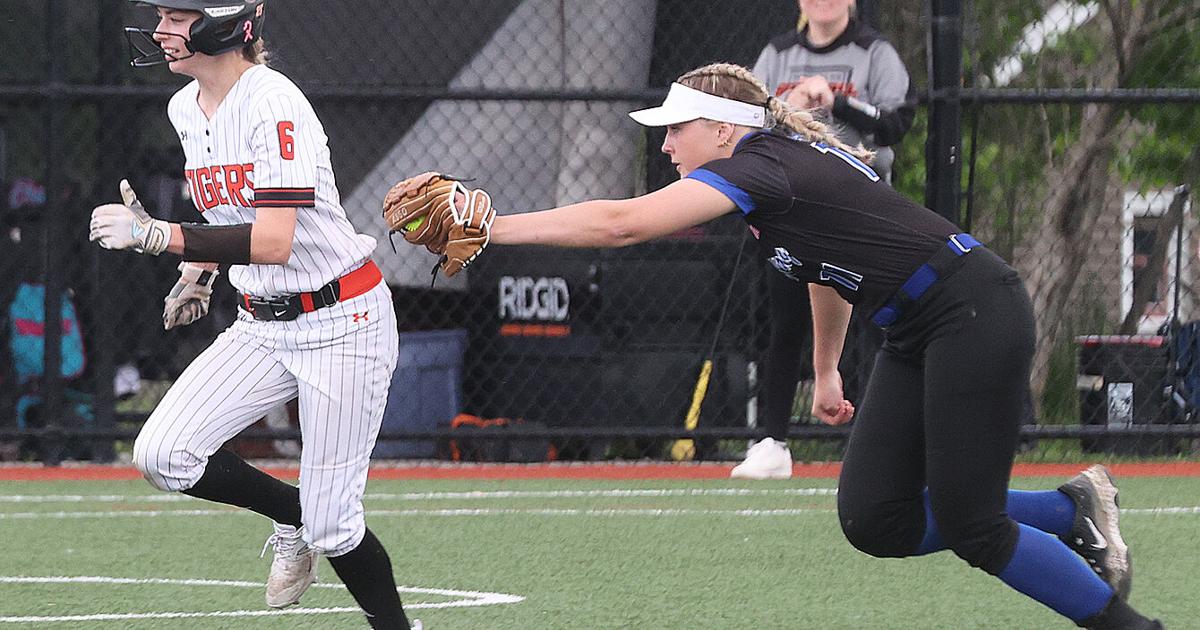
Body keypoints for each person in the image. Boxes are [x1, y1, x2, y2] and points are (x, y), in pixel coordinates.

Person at [392, 62, 1162, 629]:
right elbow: (827, 272)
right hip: (915, 327)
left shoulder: (764, 167)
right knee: (876, 522)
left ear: (724, 129)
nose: (665, 146)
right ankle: (1072, 509)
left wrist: (492, 227)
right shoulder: (769, 177)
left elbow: (620, 224)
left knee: (974, 526)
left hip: (973, 314)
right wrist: (826, 371)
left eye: (675, 129)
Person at [89, 2, 420, 628]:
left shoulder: (274, 101)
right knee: (163, 453)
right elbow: (228, 215)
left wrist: (160, 237)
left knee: (335, 523)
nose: (161, 30)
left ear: (227, 22)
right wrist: (200, 271)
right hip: (263, 324)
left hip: (342, 320)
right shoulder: (184, 106)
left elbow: (274, 241)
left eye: (178, 16)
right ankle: (289, 514)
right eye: (160, 14)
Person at [733, 0, 918, 479]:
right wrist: (787, 107)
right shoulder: (777, 54)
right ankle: (772, 442)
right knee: (786, 323)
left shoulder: (874, 51)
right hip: (791, 206)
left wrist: (836, 102)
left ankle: (879, 443)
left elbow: (897, 121)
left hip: (860, 210)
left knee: (876, 326)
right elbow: (745, 121)